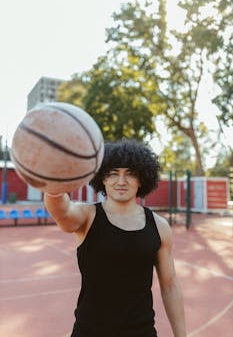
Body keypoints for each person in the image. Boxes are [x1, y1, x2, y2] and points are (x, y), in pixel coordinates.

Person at [44, 138, 186, 337]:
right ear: (102, 178)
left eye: (130, 174)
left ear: (141, 179)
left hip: (141, 332)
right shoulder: (87, 216)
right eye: (113, 174)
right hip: (89, 332)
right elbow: (62, 212)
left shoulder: (160, 226)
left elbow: (170, 285)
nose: (121, 181)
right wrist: (53, 185)